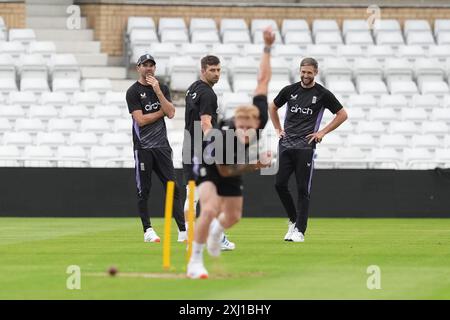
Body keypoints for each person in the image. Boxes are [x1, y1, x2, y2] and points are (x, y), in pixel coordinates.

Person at [186, 27, 275, 279]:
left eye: (250, 126)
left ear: (258, 124)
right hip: (211, 163)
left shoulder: (259, 116)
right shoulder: (224, 136)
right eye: (242, 126)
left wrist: (267, 48)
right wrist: (257, 164)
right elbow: (226, 171)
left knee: (233, 216)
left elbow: (263, 81)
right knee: (211, 208)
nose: (246, 130)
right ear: (235, 122)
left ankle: (216, 233)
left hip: (234, 164)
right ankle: (195, 261)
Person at [269, 57, 348, 243]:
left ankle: (300, 231)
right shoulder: (290, 90)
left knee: (302, 189)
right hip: (285, 144)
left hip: (306, 146)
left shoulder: (322, 94)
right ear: (300, 71)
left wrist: (322, 132)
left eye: (309, 72)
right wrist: (278, 129)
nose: (305, 75)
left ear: (316, 73)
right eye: (303, 72)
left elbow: (342, 114)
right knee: (279, 184)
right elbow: (272, 107)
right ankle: (293, 220)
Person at [126, 54, 187, 243]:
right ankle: (148, 230)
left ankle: (183, 230)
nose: (149, 68)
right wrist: (161, 112)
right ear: (138, 68)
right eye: (145, 65)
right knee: (144, 190)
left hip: (162, 147)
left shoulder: (162, 88)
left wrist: (158, 91)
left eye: (152, 65)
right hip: (143, 148)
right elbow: (141, 120)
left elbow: (171, 113)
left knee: (173, 187)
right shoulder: (133, 92)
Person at [183, 55, 235, 251]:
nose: (216, 74)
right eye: (212, 70)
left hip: (189, 146)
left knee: (192, 194)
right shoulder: (208, 94)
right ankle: (215, 238)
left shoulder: (192, 88)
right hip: (202, 149)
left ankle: (189, 235)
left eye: (219, 70)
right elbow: (206, 123)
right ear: (203, 70)